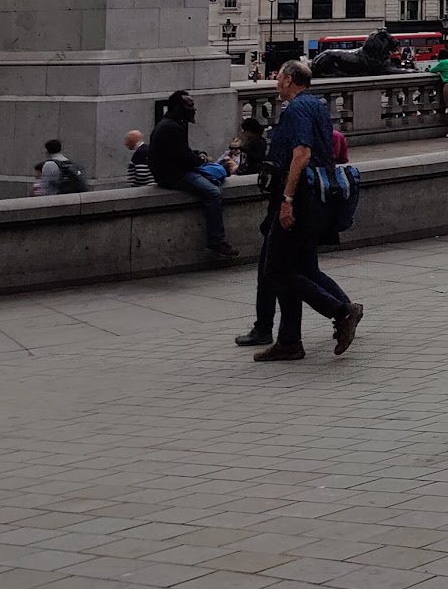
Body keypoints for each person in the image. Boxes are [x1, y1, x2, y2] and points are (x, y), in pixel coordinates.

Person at [253, 60, 363, 363]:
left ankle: (341, 312)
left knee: (275, 270)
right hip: (314, 198)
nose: (276, 82)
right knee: (299, 269)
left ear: (289, 80)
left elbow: (301, 154)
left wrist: (287, 199)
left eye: (278, 77)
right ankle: (289, 341)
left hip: (299, 198)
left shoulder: (298, 109)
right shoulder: (316, 104)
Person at [147, 91, 239, 259]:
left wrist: (198, 156)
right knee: (213, 192)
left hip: (173, 171)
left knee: (213, 181)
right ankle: (216, 242)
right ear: (177, 108)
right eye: (189, 106)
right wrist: (200, 159)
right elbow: (185, 158)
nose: (194, 109)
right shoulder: (171, 127)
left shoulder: (172, 124)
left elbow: (181, 152)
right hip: (173, 175)